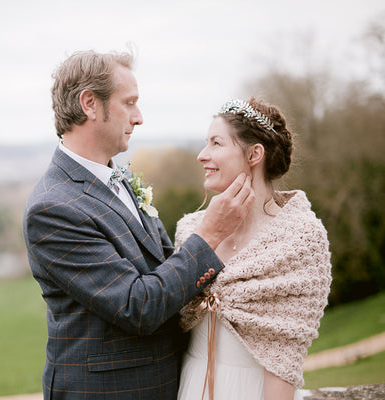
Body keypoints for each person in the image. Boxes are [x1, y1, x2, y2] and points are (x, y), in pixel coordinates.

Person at [22, 49, 255, 399]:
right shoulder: (53, 208)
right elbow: (138, 306)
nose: (139, 117)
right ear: (90, 103)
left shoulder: (119, 178)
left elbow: (163, 265)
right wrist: (210, 233)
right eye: (129, 103)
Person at [175, 98, 332, 400]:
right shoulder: (190, 231)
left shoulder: (300, 241)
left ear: (254, 154)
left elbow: (284, 359)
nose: (202, 155)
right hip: (188, 386)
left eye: (216, 143)